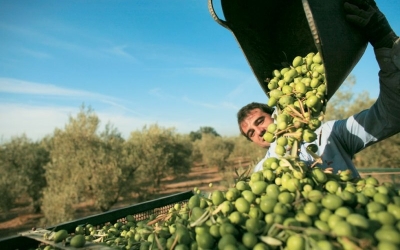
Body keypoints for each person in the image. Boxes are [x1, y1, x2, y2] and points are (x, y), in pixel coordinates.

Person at [237, 0, 400, 177]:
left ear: (275, 113)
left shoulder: (329, 134)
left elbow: (391, 116)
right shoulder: (261, 172)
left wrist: (386, 44)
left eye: (260, 121)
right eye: (251, 133)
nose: (259, 132)